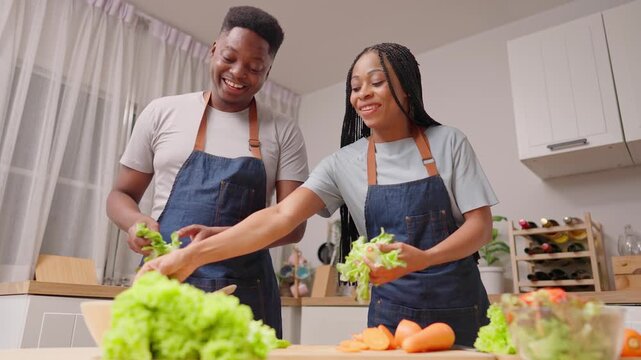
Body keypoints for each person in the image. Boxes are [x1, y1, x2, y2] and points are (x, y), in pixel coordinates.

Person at [138, 43, 498, 346]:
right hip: (390, 318)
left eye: (377, 82)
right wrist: (191, 256)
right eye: (355, 87)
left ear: (406, 88)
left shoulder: (448, 142)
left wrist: (424, 258)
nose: (363, 94)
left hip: (460, 309)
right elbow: (280, 216)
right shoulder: (343, 163)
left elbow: (480, 227)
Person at [106, 6, 309, 337]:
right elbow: (120, 195)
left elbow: (295, 224)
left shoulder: (284, 131)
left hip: (245, 294)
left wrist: (225, 237)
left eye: (255, 67)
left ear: (267, 73)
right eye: (229, 57)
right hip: (166, 280)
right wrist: (135, 221)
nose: (238, 72)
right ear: (213, 50)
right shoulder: (163, 112)